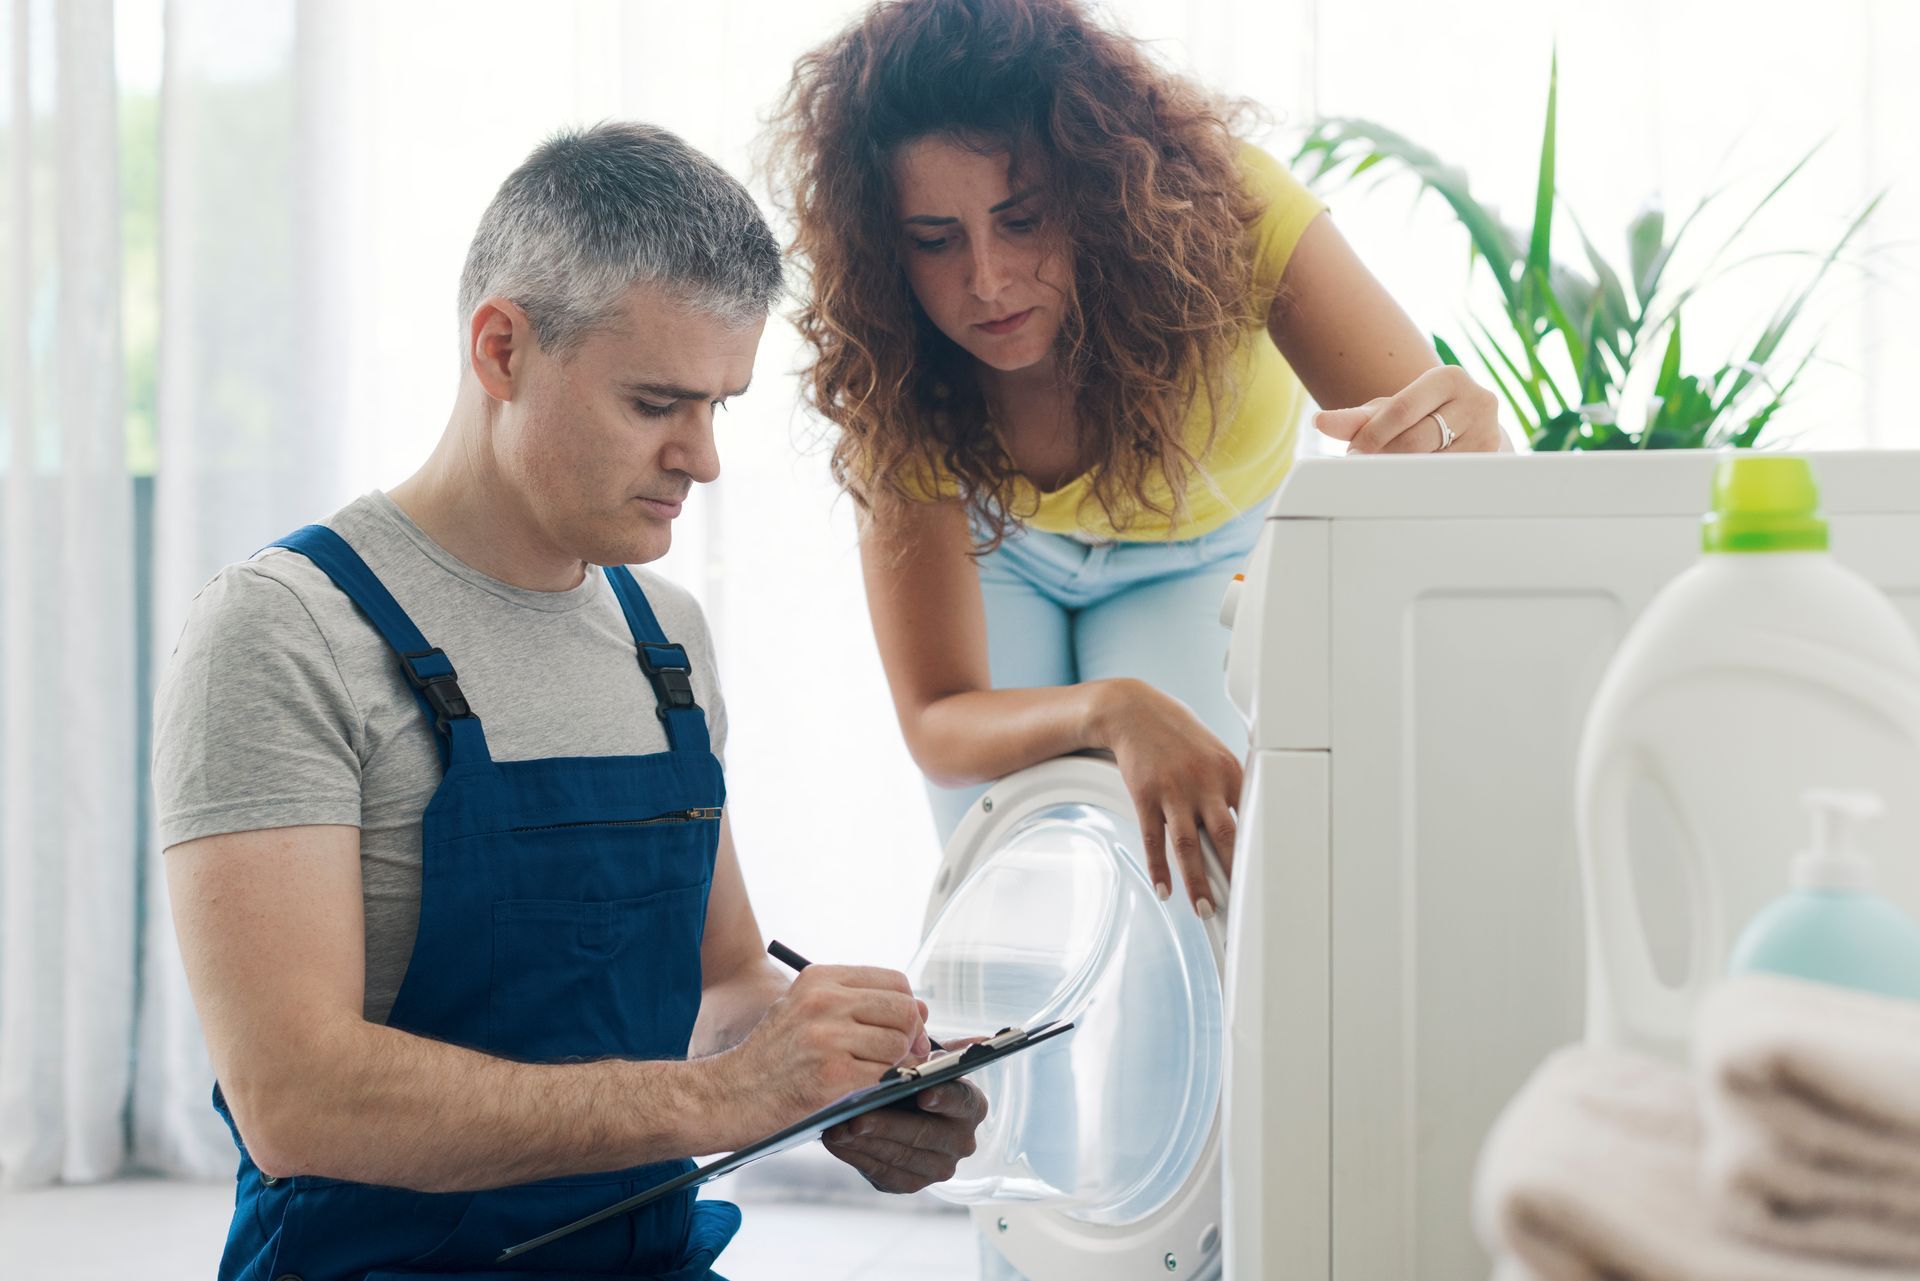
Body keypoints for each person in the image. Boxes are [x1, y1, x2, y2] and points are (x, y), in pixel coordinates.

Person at [154, 121, 985, 1281]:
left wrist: (837, 1082)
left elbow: (725, 980)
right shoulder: (283, 630)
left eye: (718, 405)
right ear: (502, 349)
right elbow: (296, 1097)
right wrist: (716, 1098)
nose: (701, 458)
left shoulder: (667, 638)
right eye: (655, 404)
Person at [768, 0, 1510, 918]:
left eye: (1023, 218)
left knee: (1190, 889)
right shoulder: (889, 353)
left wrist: (1467, 448)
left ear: (1096, 184)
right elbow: (938, 719)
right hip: (1000, 552)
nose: (987, 280)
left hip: (1201, 555)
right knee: (1002, 900)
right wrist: (1107, 706)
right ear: (886, 245)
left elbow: (1447, 465)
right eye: (934, 240)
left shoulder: (1234, 212)